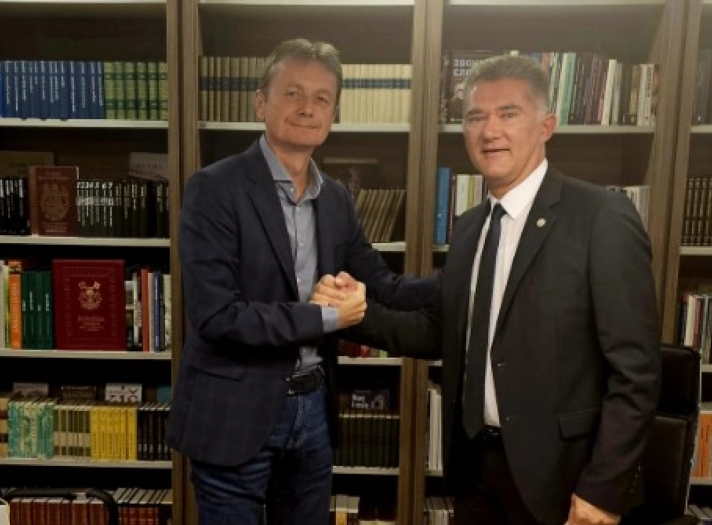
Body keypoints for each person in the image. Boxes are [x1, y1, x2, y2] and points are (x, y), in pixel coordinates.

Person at [314, 55, 661, 525]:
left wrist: (603, 489)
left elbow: (636, 373)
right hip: (475, 470)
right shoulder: (471, 226)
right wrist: (352, 313)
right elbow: (442, 332)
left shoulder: (601, 217)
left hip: (564, 482)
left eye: (508, 113)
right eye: (476, 117)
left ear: (546, 126)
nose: (490, 130)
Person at [166, 38, 435, 525]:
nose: (308, 108)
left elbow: (382, 284)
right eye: (293, 93)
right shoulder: (214, 188)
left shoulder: (335, 198)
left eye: (322, 98)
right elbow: (216, 316)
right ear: (260, 102)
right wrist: (325, 316)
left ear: (333, 113)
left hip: (312, 411)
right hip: (234, 414)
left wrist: (469, 279)